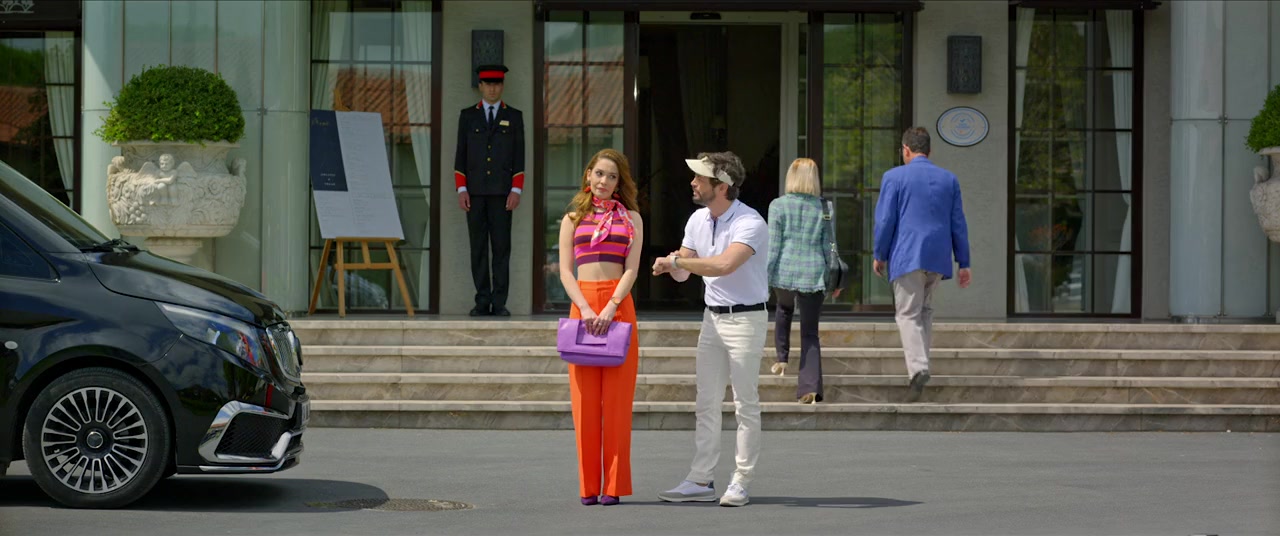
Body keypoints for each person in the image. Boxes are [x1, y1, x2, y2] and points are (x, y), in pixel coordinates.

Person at [653, 151, 768, 508]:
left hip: (746, 319)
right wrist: (672, 265)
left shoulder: (751, 222)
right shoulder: (697, 219)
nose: (693, 182)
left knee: (745, 404)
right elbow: (684, 270)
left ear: (721, 186)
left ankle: (741, 481)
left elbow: (723, 265)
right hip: (712, 319)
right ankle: (700, 480)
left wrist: (679, 261)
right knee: (706, 402)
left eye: (700, 178)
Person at [557, 148, 644, 506]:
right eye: (599, 173)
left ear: (619, 182)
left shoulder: (631, 219)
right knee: (585, 404)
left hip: (617, 305)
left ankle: (614, 486)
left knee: (618, 404)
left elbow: (632, 269)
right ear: (588, 175)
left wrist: (610, 305)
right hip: (582, 305)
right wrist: (584, 306)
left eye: (612, 176)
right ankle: (588, 485)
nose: (604, 181)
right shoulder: (572, 218)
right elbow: (565, 271)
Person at [873, 127, 972, 401]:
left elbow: (885, 220)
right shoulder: (949, 179)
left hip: (907, 255)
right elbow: (958, 223)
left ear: (906, 149)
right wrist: (964, 262)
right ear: (929, 150)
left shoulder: (894, 177)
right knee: (924, 311)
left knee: (907, 313)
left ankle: (918, 368)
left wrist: (879, 253)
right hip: (937, 257)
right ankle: (922, 366)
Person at [454, 64, 525, 316]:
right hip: (474, 193)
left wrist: (516, 190)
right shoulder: (467, 116)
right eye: (488, 84)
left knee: (501, 249)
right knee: (478, 249)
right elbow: (460, 155)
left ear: (502, 86)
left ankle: (500, 302)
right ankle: (482, 301)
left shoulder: (514, 116)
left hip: (502, 194)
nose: (492, 89)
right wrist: (461, 188)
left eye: (497, 84)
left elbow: (519, 156)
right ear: (481, 86)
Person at [766, 158, 839, 404]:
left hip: (784, 271)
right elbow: (829, 247)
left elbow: (773, 247)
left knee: (783, 309)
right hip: (813, 273)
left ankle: (781, 358)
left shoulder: (778, 205)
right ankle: (809, 388)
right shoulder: (825, 207)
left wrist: (765, 277)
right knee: (810, 332)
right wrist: (833, 280)